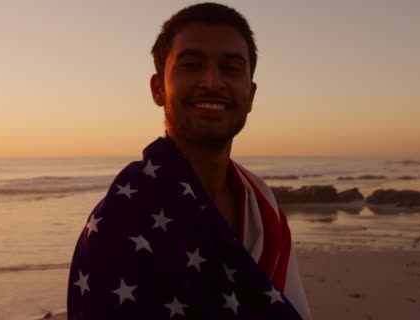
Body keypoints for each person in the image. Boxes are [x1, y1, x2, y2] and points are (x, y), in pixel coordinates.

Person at [67, 3, 312, 319]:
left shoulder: (263, 210)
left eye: (231, 68)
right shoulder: (122, 220)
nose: (212, 82)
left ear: (250, 95)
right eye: (192, 65)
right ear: (158, 89)